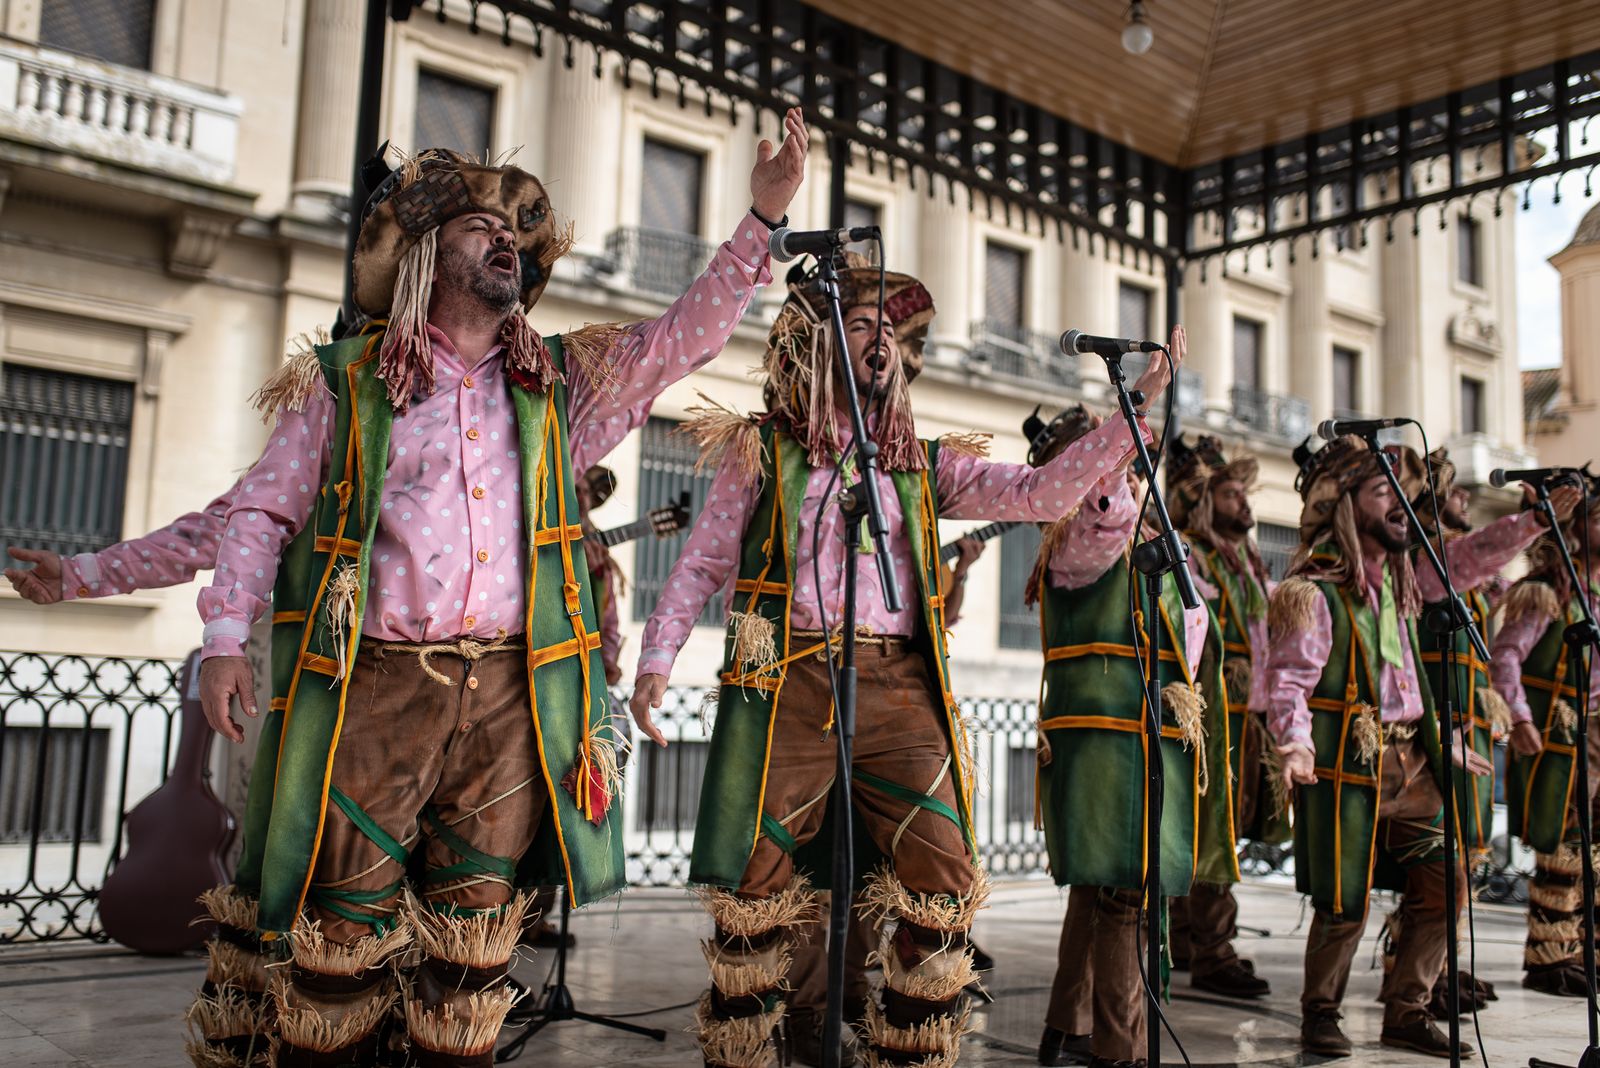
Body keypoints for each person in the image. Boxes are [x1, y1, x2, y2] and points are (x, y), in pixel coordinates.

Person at [181, 114, 808, 1068]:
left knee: (474, 951)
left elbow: (682, 341)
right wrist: (226, 639)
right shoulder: (347, 385)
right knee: (340, 942)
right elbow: (262, 515)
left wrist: (760, 221)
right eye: (480, 226)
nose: (504, 236)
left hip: (513, 699)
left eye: (513, 228)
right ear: (429, 254)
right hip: (382, 691)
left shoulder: (560, 389)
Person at [629, 257, 1177, 1067]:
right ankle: (752, 1047)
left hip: (896, 682)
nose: (882, 341)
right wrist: (655, 662)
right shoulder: (765, 449)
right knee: (758, 884)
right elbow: (703, 565)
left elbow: (1038, 494)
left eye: (891, 331)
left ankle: (908, 1048)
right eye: (861, 326)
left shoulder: (922, 461)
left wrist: (1124, 422)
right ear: (819, 348)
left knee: (947, 870)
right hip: (793, 677)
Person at [1028, 397, 1239, 1068]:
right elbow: (1109, 507)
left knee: (1103, 889)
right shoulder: (1085, 529)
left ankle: (1068, 1026)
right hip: (1106, 740)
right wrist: (1123, 440)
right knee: (1125, 894)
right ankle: (1122, 1052)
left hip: (1132, 737)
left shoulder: (1126, 532)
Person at [1263, 435, 1490, 1058]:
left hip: (1412, 762)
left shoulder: (1404, 580)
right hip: (1348, 759)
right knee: (1344, 900)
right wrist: (1295, 745)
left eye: (1403, 492)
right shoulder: (1315, 589)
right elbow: (1288, 680)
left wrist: (1532, 519)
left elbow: (1472, 561)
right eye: (1383, 491)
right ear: (1344, 503)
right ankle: (1321, 1012)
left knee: (1449, 876)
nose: (1402, 503)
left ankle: (1407, 1007)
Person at [783, 534, 991, 1068]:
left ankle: (853, 992)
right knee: (802, 874)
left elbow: (942, 615)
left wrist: (961, 570)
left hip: (893, 713)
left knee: (871, 874)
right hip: (809, 698)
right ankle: (805, 1014)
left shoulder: (906, 529)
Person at [1390, 449, 1576, 1014]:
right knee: (1436, 856)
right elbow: (1479, 569)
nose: (1465, 498)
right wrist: (1535, 523)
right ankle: (1418, 978)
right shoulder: (1427, 567)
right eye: (1453, 492)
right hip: (1431, 736)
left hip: (1465, 733)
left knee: (1464, 851)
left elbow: (1486, 579)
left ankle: (1442, 968)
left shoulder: (1459, 573)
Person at [1163, 434, 1277, 1000]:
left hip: (1248, 716)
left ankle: (1187, 939)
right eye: (1231, 494)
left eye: (1242, 493)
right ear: (1207, 502)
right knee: (1214, 827)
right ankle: (1212, 949)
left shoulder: (1247, 561)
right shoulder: (1192, 554)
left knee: (1222, 823)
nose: (1244, 504)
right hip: (1212, 715)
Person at [1491, 474, 1600, 997]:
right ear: (1575, 529)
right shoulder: (1545, 590)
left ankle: (1586, 949)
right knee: (1565, 842)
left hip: (1597, 730)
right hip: (1565, 732)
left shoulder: (1593, 590)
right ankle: (1549, 954)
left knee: (1597, 846)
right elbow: (1506, 654)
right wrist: (1520, 717)